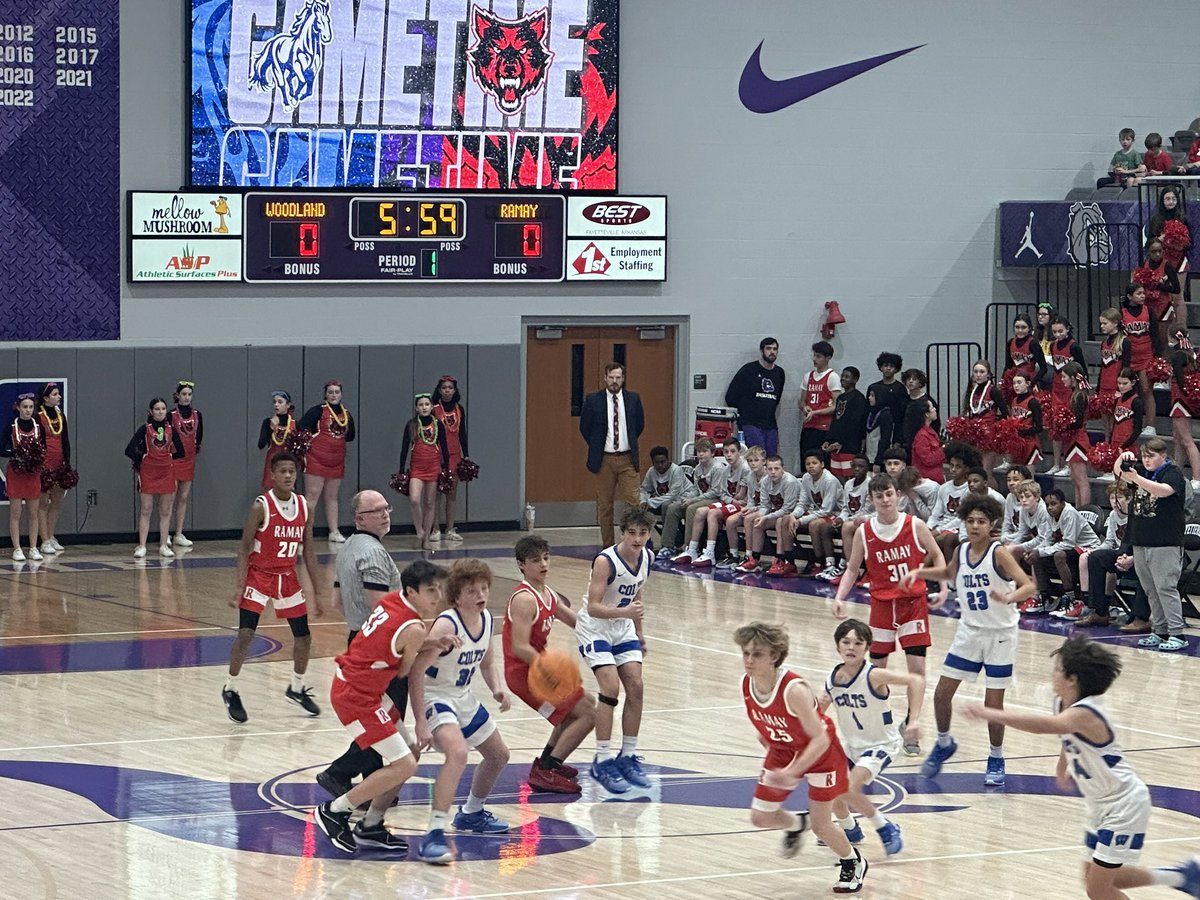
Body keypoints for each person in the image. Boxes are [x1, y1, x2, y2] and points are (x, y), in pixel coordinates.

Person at [964, 635, 1200, 899]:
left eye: (1057, 669)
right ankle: (1182, 876)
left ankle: (1183, 876)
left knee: (1097, 889)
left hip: (1124, 804)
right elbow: (1067, 736)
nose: (1052, 674)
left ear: (1072, 679)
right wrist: (1062, 765)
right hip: (1100, 803)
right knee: (1095, 878)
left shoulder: (1086, 712)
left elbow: (1051, 727)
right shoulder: (1064, 705)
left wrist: (992, 713)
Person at [315, 561, 445, 855]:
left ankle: (371, 825)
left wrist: (433, 640)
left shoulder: (392, 600)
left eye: (439, 589)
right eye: (430, 590)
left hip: (365, 688)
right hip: (355, 697)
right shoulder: (413, 627)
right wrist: (430, 647)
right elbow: (405, 670)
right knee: (405, 764)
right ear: (412, 592)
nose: (437, 596)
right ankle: (335, 811)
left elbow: (392, 640)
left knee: (409, 755)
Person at [734, 621, 868, 893]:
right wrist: (773, 753)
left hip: (822, 753)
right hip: (784, 750)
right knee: (761, 818)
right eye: (745, 653)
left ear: (774, 655)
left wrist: (793, 771)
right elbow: (765, 726)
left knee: (822, 826)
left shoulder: (794, 689)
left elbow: (820, 738)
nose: (748, 660)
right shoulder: (745, 684)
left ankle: (853, 861)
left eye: (756, 654)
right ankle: (799, 822)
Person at [832, 473, 948, 756]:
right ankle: (879, 726)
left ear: (898, 496)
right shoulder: (864, 532)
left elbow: (938, 554)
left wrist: (943, 587)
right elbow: (852, 569)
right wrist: (839, 597)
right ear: (871, 500)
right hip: (881, 605)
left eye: (889, 494)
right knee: (876, 674)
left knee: (917, 670)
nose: (885, 500)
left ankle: (913, 725)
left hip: (912, 604)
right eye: (879, 496)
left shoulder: (914, 525)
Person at [410, 559, 512, 863]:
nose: (480, 594)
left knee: (499, 755)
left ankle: (471, 812)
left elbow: (487, 661)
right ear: (456, 595)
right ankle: (434, 835)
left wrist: (497, 688)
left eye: (483, 588)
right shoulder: (447, 624)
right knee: (458, 753)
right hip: (435, 696)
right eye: (472, 590)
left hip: (463, 697)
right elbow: (416, 672)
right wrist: (419, 722)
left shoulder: (487, 620)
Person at [222, 452, 327, 725]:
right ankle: (230, 689)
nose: (289, 476)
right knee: (246, 635)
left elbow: (310, 551)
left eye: (292, 471)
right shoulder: (261, 506)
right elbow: (244, 546)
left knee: (304, 638)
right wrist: (239, 586)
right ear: (272, 475)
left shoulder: (305, 506)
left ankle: (296, 686)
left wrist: (318, 591)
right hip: (258, 576)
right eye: (283, 471)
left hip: (287, 577)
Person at [316, 489, 408, 799]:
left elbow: (336, 600)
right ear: (359, 518)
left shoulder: (348, 548)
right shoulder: (372, 553)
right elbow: (383, 607)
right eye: (377, 511)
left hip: (357, 637)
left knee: (375, 715)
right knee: (388, 717)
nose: (385, 514)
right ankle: (339, 771)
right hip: (380, 647)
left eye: (386, 508)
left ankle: (375, 780)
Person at [504, 534, 597, 794]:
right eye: (535, 560)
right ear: (522, 565)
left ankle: (547, 762)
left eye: (546, 558)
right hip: (525, 673)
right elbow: (519, 647)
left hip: (538, 670)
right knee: (588, 715)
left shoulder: (548, 594)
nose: (543, 564)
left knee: (586, 705)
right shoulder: (524, 599)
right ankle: (547, 771)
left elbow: (578, 622)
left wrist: (605, 635)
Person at [818, 617, 918, 855]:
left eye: (858, 642)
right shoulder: (833, 679)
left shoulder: (874, 676)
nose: (851, 647)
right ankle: (850, 829)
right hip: (852, 746)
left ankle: (886, 827)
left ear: (867, 648)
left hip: (881, 744)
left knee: (851, 786)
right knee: (833, 791)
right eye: (846, 642)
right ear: (837, 646)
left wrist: (914, 719)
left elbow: (917, 679)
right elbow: (816, 711)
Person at [576, 507, 654, 793]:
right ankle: (603, 759)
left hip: (622, 625)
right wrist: (625, 612)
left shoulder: (647, 557)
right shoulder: (605, 561)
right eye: (632, 533)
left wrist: (640, 632)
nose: (637, 539)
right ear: (623, 533)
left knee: (636, 685)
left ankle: (628, 755)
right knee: (610, 686)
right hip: (595, 627)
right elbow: (594, 607)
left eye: (643, 533)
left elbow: (636, 593)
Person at [1114, 437, 1189, 651]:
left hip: (1165, 542)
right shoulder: (1141, 473)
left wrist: (1137, 478)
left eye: (1151, 456)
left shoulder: (1172, 473)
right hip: (1141, 540)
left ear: (1163, 456)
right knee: (1150, 589)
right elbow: (1119, 471)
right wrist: (1122, 458)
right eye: (1144, 456)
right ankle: (1159, 630)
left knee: (1166, 587)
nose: (1146, 460)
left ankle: (1177, 633)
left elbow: (1163, 491)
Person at [579, 362, 645, 546]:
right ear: (605, 378)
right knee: (605, 506)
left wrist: (625, 442)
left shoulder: (633, 399)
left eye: (618, 377)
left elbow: (639, 425)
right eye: (611, 377)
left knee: (634, 504)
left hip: (628, 458)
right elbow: (585, 428)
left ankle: (633, 543)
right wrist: (597, 446)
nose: (614, 381)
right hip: (604, 459)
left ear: (623, 379)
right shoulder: (593, 400)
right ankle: (608, 546)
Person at [124, 397, 185, 559]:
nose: (160, 412)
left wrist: (169, 457)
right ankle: (141, 545)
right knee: (146, 509)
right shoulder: (145, 429)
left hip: (166, 472)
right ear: (151, 412)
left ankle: (164, 544)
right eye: (157, 409)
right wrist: (141, 460)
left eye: (163, 409)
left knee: (165, 510)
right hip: (148, 472)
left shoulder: (171, 429)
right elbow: (129, 449)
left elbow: (181, 451)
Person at [677, 437, 751, 569]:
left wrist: (732, 500)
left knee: (713, 513)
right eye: (726, 452)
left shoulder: (745, 469)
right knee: (700, 512)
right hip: (730, 502)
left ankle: (710, 553)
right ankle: (692, 550)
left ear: (739, 452)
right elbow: (723, 493)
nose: (729, 455)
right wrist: (731, 500)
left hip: (742, 505)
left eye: (732, 451)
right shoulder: (726, 469)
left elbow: (743, 497)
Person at [299, 380, 356, 543]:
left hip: (336, 461)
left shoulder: (346, 414)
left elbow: (351, 436)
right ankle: (305, 533)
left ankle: (334, 531)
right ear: (325, 394)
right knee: (312, 496)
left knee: (332, 497)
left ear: (341, 394)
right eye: (330, 392)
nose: (333, 395)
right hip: (316, 459)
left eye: (337, 392)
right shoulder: (317, 411)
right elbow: (301, 428)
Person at [1071, 482, 1134, 627]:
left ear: (1129, 499)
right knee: (1093, 557)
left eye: (1119, 497)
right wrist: (1096, 550)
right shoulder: (1112, 515)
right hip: (1116, 552)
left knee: (1101, 559)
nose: (1115, 502)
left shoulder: (1133, 516)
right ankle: (1098, 610)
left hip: (1132, 555)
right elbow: (1109, 541)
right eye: (1112, 498)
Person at [772, 449, 840, 578]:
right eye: (808, 464)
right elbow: (802, 503)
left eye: (814, 463)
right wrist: (794, 515)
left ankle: (820, 563)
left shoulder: (830, 480)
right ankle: (789, 561)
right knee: (786, 519)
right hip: (817, 511)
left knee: (814, 524)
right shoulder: (806, 478)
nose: (811, 466)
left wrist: (801, 520)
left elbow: (826, 510)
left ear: (822, 464)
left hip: (835, 513)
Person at [398, 393, 450, 550]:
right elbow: (404, 448)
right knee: (414, 500)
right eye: (420, 405)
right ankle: (419, 531)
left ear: (431, 406)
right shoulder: (411, 425)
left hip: (433, 467)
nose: (424, 407)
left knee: (429, 502)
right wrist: (401, 469)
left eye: (427, 404)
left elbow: (444, 447)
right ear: (416, 408)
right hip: (417, 468)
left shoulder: (438, 424)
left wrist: (446, 467)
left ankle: (426, 537)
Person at [666, 437, 727, 561]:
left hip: (716, 499)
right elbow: (695, 489)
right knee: (673, 507)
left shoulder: (718, 468)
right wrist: (687, 497)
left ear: (712, 453)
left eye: (704, 451)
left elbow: (715, 492)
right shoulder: (698, 468)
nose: (700, 454)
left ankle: (689, 547)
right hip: (701, 498)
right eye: (698, 451)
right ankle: (667, 546)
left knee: (692, 509)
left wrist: (693, 500)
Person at [814, 454, 873, 584]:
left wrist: (848, 521)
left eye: (861, 466)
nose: (857, 469)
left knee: (847, 529)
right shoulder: (848, 484)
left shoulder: (870, 484)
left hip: (865, 520)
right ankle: (830, 565)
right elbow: (846, 507)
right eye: (855, 466)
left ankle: (844, 567)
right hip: (849, 519)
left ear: (867, 468)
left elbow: (867, 510)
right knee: (825, 527)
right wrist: (841, 518)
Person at [736, 455, 801, 573]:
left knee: (780, 521)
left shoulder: (790, 481)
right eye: (770, 469)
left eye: (776, 468)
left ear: (783, 468)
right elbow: (765, 505)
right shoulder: (765, 481)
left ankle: (780, 559)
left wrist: (766, 516)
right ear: (766, 469)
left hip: (794, 514)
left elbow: (787, 509)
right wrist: (761, 516)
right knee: (756, 521)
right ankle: (754, 559)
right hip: (777, 512)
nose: (773, 472)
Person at [725, 337, 785, 457]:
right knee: (757, 457)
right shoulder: (749, 370)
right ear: (762, 351)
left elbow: (776, 398)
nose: (772, 352)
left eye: (775, 349)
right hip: (750, 422)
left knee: (772, 458)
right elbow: (730, 397)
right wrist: (745, 411)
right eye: (768, 348)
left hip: (770, 423)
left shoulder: (779, 373)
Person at [2, 393, 45, 562]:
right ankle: (17, 548)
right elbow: (1, 447)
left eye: (31, 407)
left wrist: (36, 458)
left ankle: (34, 547)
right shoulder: (11, 426)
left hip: (32, 473)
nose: (28, 410)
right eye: (25, 407)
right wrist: (15, 453)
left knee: (33, 512)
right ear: (18, 408)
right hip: (16, 472)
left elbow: (44, 449)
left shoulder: (38, 426)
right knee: (15, 513)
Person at [717, 445, 768, 569]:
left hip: (766, 509)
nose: (752, 464)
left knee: (749, 519)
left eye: (756, 460)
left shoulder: (768, 476)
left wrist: (752, 509)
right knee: (730, 521)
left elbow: (767, 503)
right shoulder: (750, 476)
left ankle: (750, 556)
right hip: (754, 508)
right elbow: (751, 499)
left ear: (764, 461)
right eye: (750, 461)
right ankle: (734, 556)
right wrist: (749, 507)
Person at [927, 441, 980, 560]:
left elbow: (961, 518)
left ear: (967, 469)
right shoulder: (944, 487)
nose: (953, 469)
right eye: (951, 465)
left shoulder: (970, 489)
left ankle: (932, 572)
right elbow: (936, 513)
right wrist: (928, 528)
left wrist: (939, 530)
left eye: (958, 466)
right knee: (921, 537)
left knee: (937, 540)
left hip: (957, 527)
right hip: (942, 525)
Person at [36, 382, 72, 555]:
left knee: (57, 501)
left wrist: (67, 463)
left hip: (59, 463)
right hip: (44, 464)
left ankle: (50, 535)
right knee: (42, 503)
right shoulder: (38, 416)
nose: (59, 397)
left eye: (58, 394)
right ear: (45, 398)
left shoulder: (60, 415)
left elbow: (65, 440)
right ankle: (43, 540)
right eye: (55, 394)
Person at [432, 375, 469, 544]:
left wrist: (466, 455)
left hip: (455, 455)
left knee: (452, 493)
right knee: (436, 494)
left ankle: (450, 529)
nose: (447, 390)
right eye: (444, 388)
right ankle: (435, 529)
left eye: (450, 388)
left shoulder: (459, 408)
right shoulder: (433, 409)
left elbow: (463, 433)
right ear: (439, 390)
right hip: (437, 455)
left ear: (455, 391)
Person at [169, 381, 203, 549]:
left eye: (189, 394)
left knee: (183, 497)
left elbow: (200, 437)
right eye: (184, 394)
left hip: (189, 460)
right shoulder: (171, 415)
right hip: (175, 459)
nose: (186, 397)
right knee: (171, 497)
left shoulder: (197, 415)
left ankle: (178, 533)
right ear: (178, 395)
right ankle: (165, 533)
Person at [963, 359, 1008, 484]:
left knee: (986, 472)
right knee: (976, 471)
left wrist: (996, 428)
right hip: (975, 435)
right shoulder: (972, 390)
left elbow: (1005, 412)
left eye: (982, 372)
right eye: (976, 371)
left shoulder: (993, 391)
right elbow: (970, 411)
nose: (978, 374)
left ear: (988, 374)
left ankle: (993, 500)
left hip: (989, 436)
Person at [1121, 282, 1159, 426]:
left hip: (1146, 357)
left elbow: (1155, 335)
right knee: (1129, 392)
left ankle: (1150, 426)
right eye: (1139, 294)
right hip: (1129, 358)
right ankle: (1128, 425)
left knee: (1146, 390)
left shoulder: (1148, 311)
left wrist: (1157, 356)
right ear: (1130, 296)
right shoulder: (1122, 313)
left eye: (1143, 293)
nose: (1143, 296)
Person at [1056, 362, 1094, 506]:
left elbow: (1077, 422)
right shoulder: (1075, 394)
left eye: (1064, 376)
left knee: (1081, 480)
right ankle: (1078, 510)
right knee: (1075, 480)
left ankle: (1083, 512)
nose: (1062, 379)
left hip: (1078, 439)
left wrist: (1062, 424)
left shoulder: (1079, 396)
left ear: (1073, 378)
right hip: (1073, 439)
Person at [1133, 238, 1182, 349]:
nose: (1157, 254)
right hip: (1147, 305)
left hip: (1163, 306)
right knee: (1148, 338)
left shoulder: (1167, 266)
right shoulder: (1144, 264)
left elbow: (1176, 289)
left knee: (1162, 338)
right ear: (1148, 252)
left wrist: (1158, 285)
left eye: (1160, 251)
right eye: (1154, 252)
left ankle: (1163, 363)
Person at [639, 445, 695, 541]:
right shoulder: (651, 471)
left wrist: (650, 502)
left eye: (663, 462)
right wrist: (643, 501)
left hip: (685, 496)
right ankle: (646, 540)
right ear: (653, 462)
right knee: (641, 508)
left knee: (666, 505)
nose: (660, 465)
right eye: (657, 463)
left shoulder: (676, 470)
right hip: (663, 499)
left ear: (668, 460)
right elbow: (644, 489)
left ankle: (668, 541)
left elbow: (673, 496)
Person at [866, 352, 905, 470]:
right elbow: (868, 410)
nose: (888, 368)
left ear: (896, 369)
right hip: (875, 429)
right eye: (885, 365)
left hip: (892, 430)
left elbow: (901, 416)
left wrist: (898, 439)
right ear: (881, 367)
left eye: (892, 366)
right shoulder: (874, 387)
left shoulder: (900, 388)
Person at [800, 341, 841, 454]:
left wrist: (816, 412)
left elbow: (836, 406)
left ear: (828, 358)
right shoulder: (808, 376)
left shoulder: (833, 377)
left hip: (825, 427)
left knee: (821, 461)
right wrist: (805, 408)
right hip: (808, 426)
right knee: (806, 459)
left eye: (818, 356)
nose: (815, 359)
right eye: (814, 355)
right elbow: (802, 401)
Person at [1167, 349, 1200, 483]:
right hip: (1179, 400)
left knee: (1187, 441)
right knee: (1178, 441)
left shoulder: (1178, 356)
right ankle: (1177, 474)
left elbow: (1181, 382)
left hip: (1179, 402)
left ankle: (1197, 478)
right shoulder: (1189, 354)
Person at [257, 390, 296, 491]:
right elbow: (261, 445)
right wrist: (271, 429)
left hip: (288, 462)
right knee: (271, 491)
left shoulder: (294, 424)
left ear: (288, 405)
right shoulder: (267, 422)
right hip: (273, 461)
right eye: (274, 402)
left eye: (280, 402)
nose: (276, 405)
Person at [1007, 372, 1044, 469]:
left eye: (1019, 383)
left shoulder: (1033, 402)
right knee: (1017, 477)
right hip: (1017, 443)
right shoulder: (1014, 400)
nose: (1016, 386)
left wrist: (1023, 432)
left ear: (1028, 383)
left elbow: (1039, 427)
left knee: (1028, 479)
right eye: (1014, 383)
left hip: (1029, 443)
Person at [1002, 314, 1047, 393]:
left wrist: (1032, 382)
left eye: (1023, 327)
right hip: (1013, 382)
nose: (1020, 330)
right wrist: (1003, 381)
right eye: (1017, 327)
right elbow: (1008, 365)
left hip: (1028, 383)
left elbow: (1043, 368)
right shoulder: (1010, 342)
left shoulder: (1033, 343)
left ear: (1029, 328)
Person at [899, 368, 938, 450]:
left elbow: (936, 423)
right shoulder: (904, 400)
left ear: (920, 383)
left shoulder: (928, 400)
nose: (910, 381)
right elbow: (900, 421)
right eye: (908, 379)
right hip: (906, 441)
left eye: (914, 379)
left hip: (923, 441)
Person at [910, 397, 945, 483]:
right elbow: (928, 459)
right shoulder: (921, 436)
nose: (935, 409)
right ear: (927, 414)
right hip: (927, 480)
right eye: (932, 408)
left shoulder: (929, 431)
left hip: (934, 478)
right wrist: (943, 449)